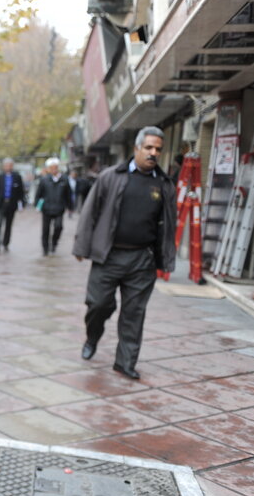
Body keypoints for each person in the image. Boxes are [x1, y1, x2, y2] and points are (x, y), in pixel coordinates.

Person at [73, 126, 177, 380]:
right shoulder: (110, 176)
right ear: (137, 148)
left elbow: (169, 224)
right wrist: (81, 246)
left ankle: (125, 362)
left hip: (142, 259)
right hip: (108, 256)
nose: (153, 153)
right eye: (149, 147)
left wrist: (165, 258)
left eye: (158, 149)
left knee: (134, 313)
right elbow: (90, 212)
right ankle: (92, 337)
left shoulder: (164, 184)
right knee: (98, 304)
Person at [35, 157, 74, 255]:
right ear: (48, 169)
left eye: (55, 167)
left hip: (59, 208)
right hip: (47, 208)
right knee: (46, 230)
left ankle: (54, 243)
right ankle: (45, 248)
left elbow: (68, 194)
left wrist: (70, 207)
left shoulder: (64, 179)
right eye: (51, 168)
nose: (54, 170)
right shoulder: (44, 180)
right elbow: (38, 194)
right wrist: (37, 205)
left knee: (58, 226)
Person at [0, 157, 26, 252]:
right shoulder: (0, 177)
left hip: (11, 204)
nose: (8, 167)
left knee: (8, 225)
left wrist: (22, 204)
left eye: (10, 165)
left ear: (12, 166)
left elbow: (21, 192)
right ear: (3, 166)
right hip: (0, 204)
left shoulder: (17, 177)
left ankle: (5, 243)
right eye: (6, 165)